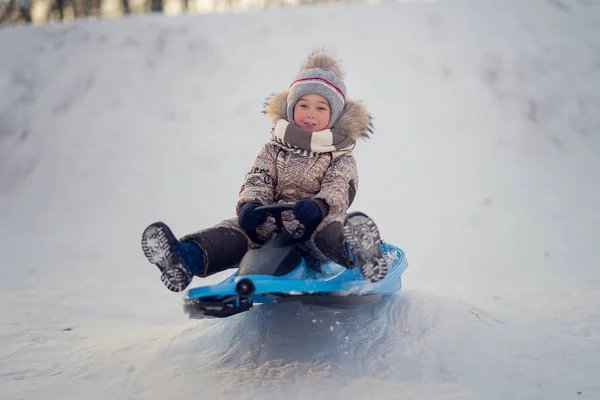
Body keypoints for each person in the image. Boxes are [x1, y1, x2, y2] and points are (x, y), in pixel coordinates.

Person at [141, 50, 388, 293]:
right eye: (303, 105)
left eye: (321, 108)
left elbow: (339, 184)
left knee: (332, 230)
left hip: (314, 226)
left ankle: (361, 250)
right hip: (270, 225)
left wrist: (320, 206)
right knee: (234, 231)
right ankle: (185, 259)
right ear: (291, 108)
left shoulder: (339, 155)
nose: (310, 114)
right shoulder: (274, 148)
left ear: (334, 116)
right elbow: (259, 177)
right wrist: (251, 205)